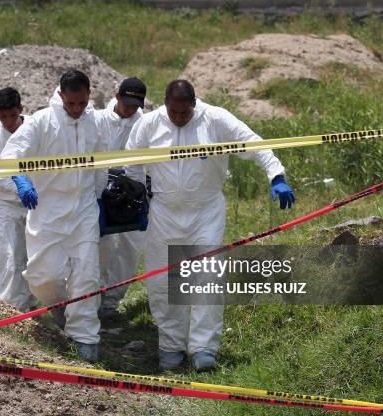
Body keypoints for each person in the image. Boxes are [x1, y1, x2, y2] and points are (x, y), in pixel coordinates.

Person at [125, 79, 295, 371]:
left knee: (207, 278)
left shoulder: (215, 120)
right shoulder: (149, 124)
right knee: (163, 281)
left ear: (194, 104)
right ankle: (170, 344)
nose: (178, 118)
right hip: (164, 212)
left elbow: (253, 142)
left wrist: (276, 175)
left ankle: (204, 348)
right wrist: (138, 197)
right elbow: (131, 161)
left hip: (205, 212)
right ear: (165, 104)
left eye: (184, 112)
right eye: (173, 112)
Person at [0, 70, 108, 362]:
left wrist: (99, 201)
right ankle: (60, 305)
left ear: (88, 97)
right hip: (47, 211)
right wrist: (21, 179)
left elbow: (101, 164)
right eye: (71, 103)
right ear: (61, 95)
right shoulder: (41, 122)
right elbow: (11, 154)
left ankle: (85, 338)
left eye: (82, 103)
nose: (76, 109)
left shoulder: (95, 123)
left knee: (86, 274)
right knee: (42, 276)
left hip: (84, 210)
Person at [0, 87, 36, 312]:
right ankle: (7, 307)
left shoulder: (34, 128)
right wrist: (18, 187)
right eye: (3, 117)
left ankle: (31, 303)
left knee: (38, 258)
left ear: (21, 109)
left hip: (39, 202)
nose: (9, 122)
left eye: (13, 115)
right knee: (11, 257)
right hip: (7, 205)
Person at [97, 77, 147, 320]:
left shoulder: (145, 124)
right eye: (126, 104)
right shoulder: (98, 120)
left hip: (131, 193)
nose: (130, 110)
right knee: (100, 247)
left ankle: (110, 303)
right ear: (116, 97)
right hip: (99, 191)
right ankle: (89, 299)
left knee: (128, 248)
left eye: (135, 106)